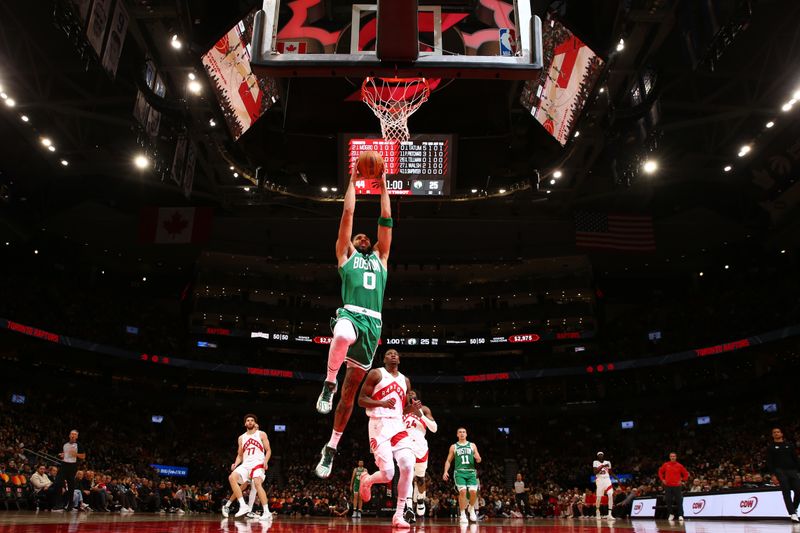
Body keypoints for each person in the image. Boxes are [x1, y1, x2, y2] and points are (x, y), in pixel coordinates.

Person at [315, 165, 393, 479]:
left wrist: (383, 186)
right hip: (351, 313)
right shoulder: (344, 256)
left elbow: (386, 220)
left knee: (349, 399)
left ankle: (331, 447)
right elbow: (348, 212)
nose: (361, 236)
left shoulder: (382, 257)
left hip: (373, 326)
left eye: (365, 235)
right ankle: (328, 383)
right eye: (356, 236)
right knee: (342, 334)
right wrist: (352, 182)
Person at [354, 349, 418, 529]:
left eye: (396, 353)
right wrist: (381, 403)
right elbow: (361, 400)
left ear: (399, 358)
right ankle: (367, 480)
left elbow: (402, 409)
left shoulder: (405, 380)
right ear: (384, 358)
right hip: (378, 424)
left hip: (398, 424)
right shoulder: (376, 373)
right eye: (389, 353)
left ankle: (399, 514)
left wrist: (411, 410)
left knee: (407, 465)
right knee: (388, 473)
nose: (393, 355)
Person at [227, 414, 272, 522]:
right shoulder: (241, 438)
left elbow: (268, 450)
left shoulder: (261, 434)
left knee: (257, 483)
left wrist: (266, 461)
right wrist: (235, 463)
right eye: (248, 420)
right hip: (246, 464)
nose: (250, 422)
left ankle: (267, 512)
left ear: (254, 423)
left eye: (252, 420)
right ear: (245, 423)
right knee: (232, 477)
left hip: (258, 463)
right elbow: (240, 455)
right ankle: (243, 505)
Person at [403, 389, 438, 520]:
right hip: (406, 445)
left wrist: (420, 415)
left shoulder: (424, 409)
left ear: (417, 395)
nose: (410, 394)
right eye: (408, 393)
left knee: (420, 479)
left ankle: (420, 499)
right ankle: (409, 507)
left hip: (421, 446)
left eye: (412, 392)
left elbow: (434, 429)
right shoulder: (402, 410)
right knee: (408, 476)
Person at [443, 427, 482, 524]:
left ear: (466, 434)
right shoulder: (454, 446)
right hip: (459, 472)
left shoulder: (472, 445)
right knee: (463, 492)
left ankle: (471, 508)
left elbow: (479, 458)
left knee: (473, 492)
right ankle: (462, 514)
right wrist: (445, 471)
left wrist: (478, 458)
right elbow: (448, 460)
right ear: (457, 435)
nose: (462, 433)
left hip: (471, 472)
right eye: (460, 432)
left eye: (464, 432)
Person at [766, 427, 800, 522]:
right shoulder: (770, 447)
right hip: (780, 471)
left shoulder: (789, 445)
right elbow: (769, 462)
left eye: (778, 432)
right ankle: (792, 513)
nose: (776, 433)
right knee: (786, 492)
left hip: (792, 471)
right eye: (774, 432)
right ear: (772, 435)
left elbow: (796, 459)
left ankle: (794, 508)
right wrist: (773, 475)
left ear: (782, 434)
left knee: (798, 490)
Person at [53, 429, 85, 511]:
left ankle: (70, 505)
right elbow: (62, 453)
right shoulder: (64, 444)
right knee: (57, 483)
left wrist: (76, 454)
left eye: (74, 434)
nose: (73, 435)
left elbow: (83, 456)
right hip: (64, 465)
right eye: (71, 434)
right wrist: (61, 454)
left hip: (73, 466)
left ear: (77, 436)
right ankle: (58, 504)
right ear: (69, 435)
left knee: (71, 486)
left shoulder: (79, 445)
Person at [658, 452, 689, 521]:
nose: (672, 457)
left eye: (674, 456)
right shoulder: (666, 465)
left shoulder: (679, 465)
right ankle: (671, 514)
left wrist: (682, 480)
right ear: (669, 457)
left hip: (677, 486)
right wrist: (662, 480)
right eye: (671, 456)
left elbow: (686, 474)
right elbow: (660, 472)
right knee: (668, 501)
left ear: (676, 457)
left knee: (679, 501)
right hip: (668, 486)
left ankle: (680, 515)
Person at [593, 452, 615, 520]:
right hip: (599, 479)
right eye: (599, 455)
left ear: (603, 455)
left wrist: (616, 478)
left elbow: (610, 472)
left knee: (610, 494)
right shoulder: (595, 462)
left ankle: (609, 514)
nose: (600, 455)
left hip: (607, 479)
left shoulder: (608, 462)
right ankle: (597, 511)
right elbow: (595, 472)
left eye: (601, 454)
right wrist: (602, 466)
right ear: (597, 456)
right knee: (599, 497)